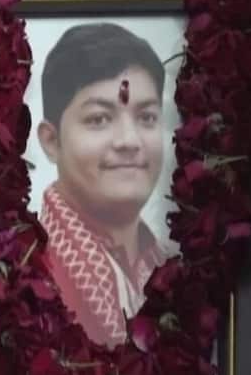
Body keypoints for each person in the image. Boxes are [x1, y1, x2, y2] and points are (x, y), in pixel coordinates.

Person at [36, 23, 167, 347]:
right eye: (99, 119)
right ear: (51, 142)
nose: (129, 141)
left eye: (147, 117)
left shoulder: (177, 270)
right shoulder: (14, 277)